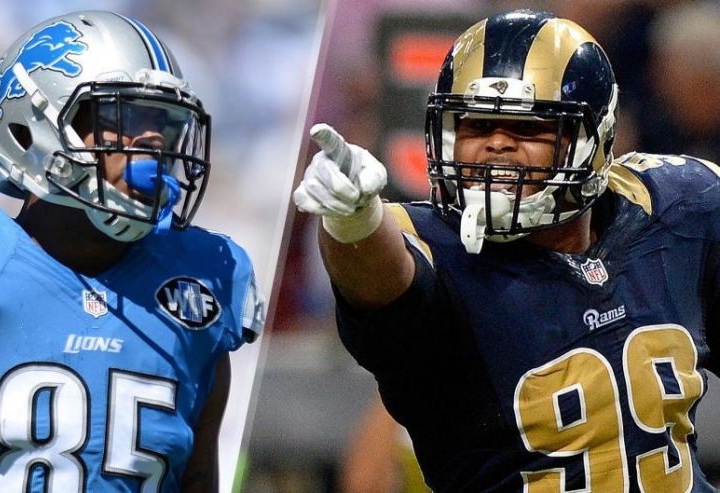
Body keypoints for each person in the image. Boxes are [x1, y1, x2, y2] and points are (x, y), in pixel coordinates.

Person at [294, 9, 718, 492]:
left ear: (593, 140)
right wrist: (353, 218)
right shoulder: (433, 245)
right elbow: (384, 275)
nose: (496, 145)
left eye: (529, 129)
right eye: (475, 127)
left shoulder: (680, 206)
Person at [0, 10, 264, 492]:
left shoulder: (199, 290)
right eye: (123, 120)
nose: (155, 149)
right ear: (32, 130)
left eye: (166, 128)